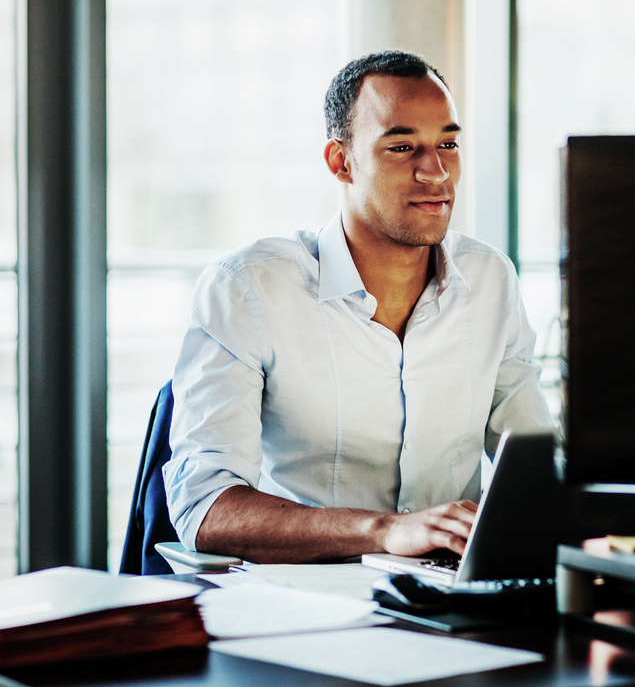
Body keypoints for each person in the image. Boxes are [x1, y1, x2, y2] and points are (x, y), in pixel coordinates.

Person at [163, 50, 554, 564]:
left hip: (455, 592)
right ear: (341, 161)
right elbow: (205, 509)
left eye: (448, 144)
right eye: (401, 146)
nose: (436, 171)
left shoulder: (489, 279)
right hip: (310, 601)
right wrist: (385, 531)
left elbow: (537, 467)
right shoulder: (247, 288)